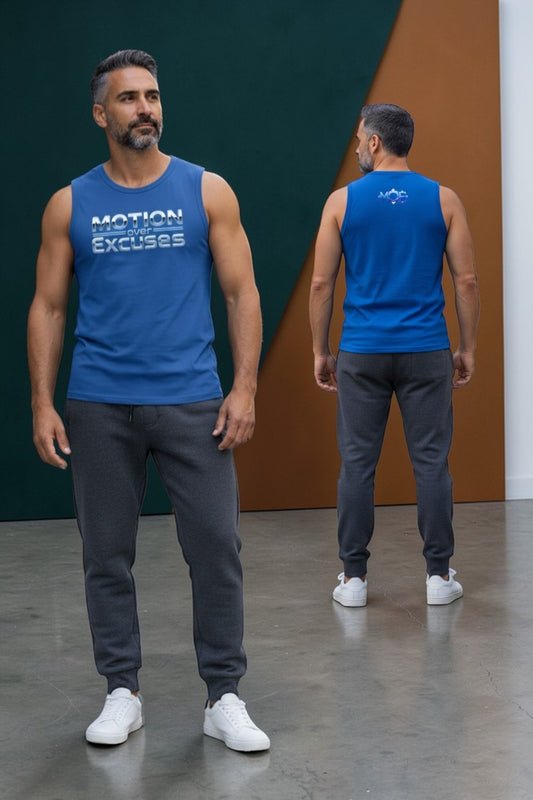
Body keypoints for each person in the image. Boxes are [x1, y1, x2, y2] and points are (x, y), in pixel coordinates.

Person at [27, 49, 270, 752]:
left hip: (193, 402)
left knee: (216, 549)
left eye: (153, 96)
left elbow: (240, 292)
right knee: (106, 554)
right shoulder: (70, 203)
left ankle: (223, 695)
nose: (146, 109)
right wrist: (43, 403)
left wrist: (245, 386)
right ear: (102, 114)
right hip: (98, 405)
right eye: (129, 98)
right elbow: (46, 307)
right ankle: (121, 692)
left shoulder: (206, 191)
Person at [309, 103, 479, 608]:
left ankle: (354, 580)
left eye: (361, 138)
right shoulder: (443, 199)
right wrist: (465, 346)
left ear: (376, 142)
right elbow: (466, 280)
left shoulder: (341, 202)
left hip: (361, 352)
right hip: (427, 349)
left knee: (357, 463)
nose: (358, 146)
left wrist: (321, 350)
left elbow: (322, 282)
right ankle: (437, 577)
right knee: (432, 462)